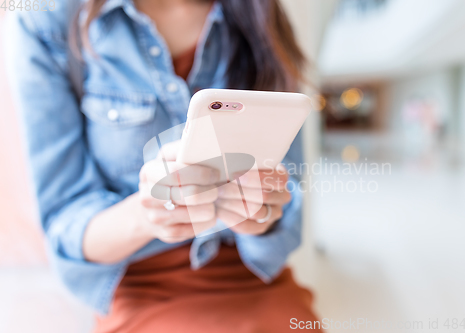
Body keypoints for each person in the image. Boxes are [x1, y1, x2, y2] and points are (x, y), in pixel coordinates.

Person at [6, 0, 323, 331]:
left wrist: (261, 216)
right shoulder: (47, 23)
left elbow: (288, 201)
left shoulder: (260, 15)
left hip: (254, 279)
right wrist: (146, 214)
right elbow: (64, 226)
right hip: (141, 287)